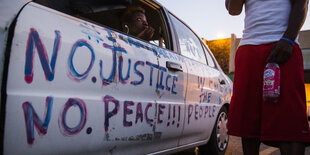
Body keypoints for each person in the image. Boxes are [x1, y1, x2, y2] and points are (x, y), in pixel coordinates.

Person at [225, 0, 309, 154]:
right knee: (249, 127)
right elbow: (233, 9)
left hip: (283, 43)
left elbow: (302, 3)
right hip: (249, 47)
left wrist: (289, 38)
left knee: (290, 123)